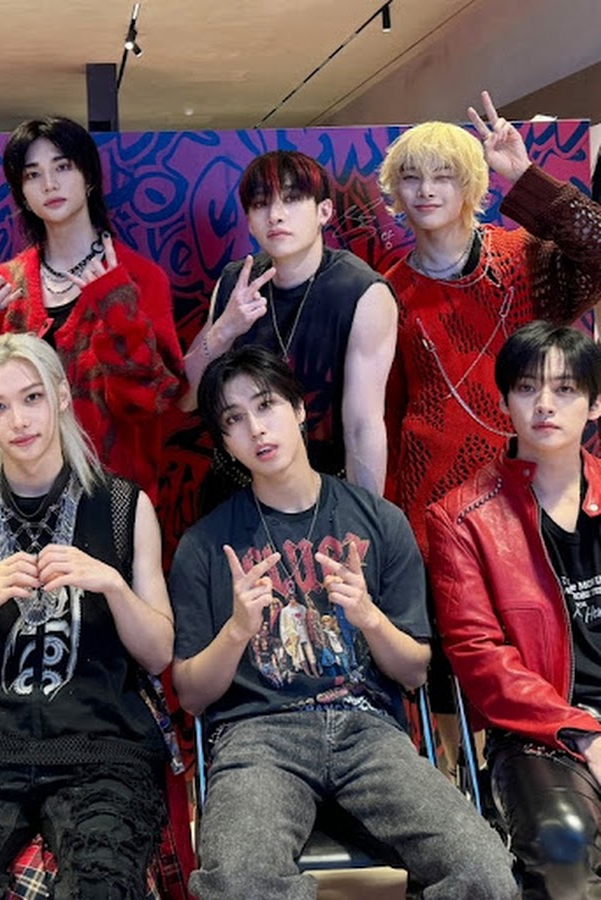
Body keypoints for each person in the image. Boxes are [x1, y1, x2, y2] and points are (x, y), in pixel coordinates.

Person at [168, 344, 518, 900]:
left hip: (368, 733)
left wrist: (369, 618)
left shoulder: (380, 522)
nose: (256, 429)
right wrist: (237, 630)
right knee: (238, 880)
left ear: (299, 408)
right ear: (225, 441)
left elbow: (414, 671)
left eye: (266, 405)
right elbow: (191, 695)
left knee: (484, 872)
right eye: (234, 419)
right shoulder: (205, 546)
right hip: (259, 739)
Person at [0, 332, 174, 898]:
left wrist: (113, 585)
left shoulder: (124, 507)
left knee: (101, 888)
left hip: (104, 748)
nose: (19, 421)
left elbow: (158, 654)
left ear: (61, 396)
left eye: (32, 398)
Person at [378, 90, 601, 558]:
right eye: (412, 177)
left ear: (470, 185)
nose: (426, 190)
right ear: (396, 190)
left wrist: (525, 176)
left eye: (444, 176)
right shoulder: (388, 291)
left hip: (533, 483)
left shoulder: (521, 259)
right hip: (431, 499)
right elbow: (387, 415)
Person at [429, 322, 601, 899]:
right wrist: (584, 735)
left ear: (595, 404)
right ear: (504, 401)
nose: (545, 404)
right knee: (563, 845)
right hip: (539, 732)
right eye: (527, 388)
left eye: (566, 389)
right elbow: (480, 659)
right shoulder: (462, 518)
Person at [0, 116, 184, 503]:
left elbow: (152, 400)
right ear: (22, 193)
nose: (49, 184)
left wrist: (115, 306)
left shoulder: (140, 278)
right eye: (32, 174)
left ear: (88, 177)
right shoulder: (4, 283)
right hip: (23, 492)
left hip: (113, 493)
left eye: (62, 167)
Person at [181, 149, 397, 495]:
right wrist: (225, 329)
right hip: (238, 486)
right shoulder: (237, 281)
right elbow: (187, 399)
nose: (275, 215)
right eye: (261, 204)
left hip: (324, 488)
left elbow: (362, 426)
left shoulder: (361, 292)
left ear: (324, 211)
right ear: (249, 221)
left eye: (293, 199)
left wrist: (365, 515)